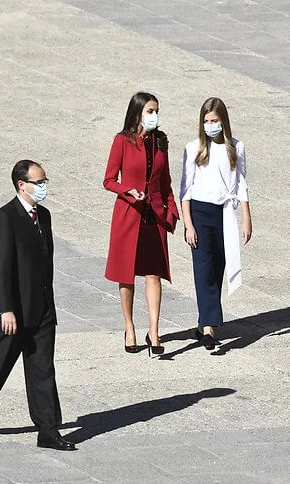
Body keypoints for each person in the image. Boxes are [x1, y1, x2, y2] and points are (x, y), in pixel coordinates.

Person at [0, 160, 76, 450]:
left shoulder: (44, 216)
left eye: (45, 181)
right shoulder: (5, 218)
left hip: (42, 309)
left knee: (42, 370)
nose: (43, 187)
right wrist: (5, 309)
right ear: (21, 184)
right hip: (13, 312)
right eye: (39, 182)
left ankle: (48, 430)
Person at [103, 92, 179, 357]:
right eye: (150, 110)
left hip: (153, 216)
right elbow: (109, 179)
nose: (154, 115)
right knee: (126, 273)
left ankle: (154, 330)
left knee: (153, 273)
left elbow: (166, 181)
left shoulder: (161, 142)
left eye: (156, 110)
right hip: (129, 214)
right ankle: (129, 327)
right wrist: (128, 191)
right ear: (137, 113)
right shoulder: (122, 141)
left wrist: (171, 211)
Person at [180, 97, 252, 351]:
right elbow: (185, 190)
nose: (210, 125)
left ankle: (203, 322)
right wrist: (188, 224)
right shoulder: (194, 148)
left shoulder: (236, 147)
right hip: (200, 212)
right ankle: (210, 327)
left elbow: (241, 182)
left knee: (219, 265)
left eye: (215, 121)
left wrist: (246, 217)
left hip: (224, 212)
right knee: (203, 267)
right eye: (206, 121)